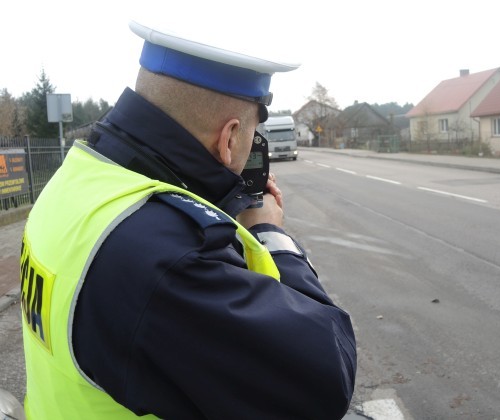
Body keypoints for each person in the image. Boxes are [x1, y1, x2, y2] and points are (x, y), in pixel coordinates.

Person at [19, 19, 356, 419]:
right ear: (229, 139)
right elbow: (324, 380)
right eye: (249, 138)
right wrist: (269, 233)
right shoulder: (173, 261)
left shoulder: (80, 178)